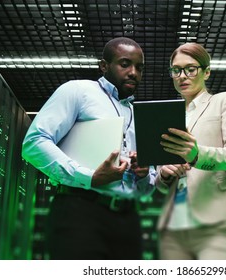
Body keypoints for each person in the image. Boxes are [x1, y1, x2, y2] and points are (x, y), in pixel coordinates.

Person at [22, 37, 156, 260]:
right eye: (125, 64)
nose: (133, 72)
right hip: (79, 213)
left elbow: (145, 188)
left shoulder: (137, 114)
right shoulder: (78, 91)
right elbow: (34, 143)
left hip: (128, 219)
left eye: (139, 67)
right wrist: (89, 177)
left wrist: (143, 175)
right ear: (104, 66)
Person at [155, 42, 226, 260]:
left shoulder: (224, 101)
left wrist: (197, 155)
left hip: (216, 221)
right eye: (176, 70)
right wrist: (164, 174)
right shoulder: (168, 114)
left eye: (190, 69)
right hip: (173, 226)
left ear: (206, 72)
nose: (182, 76)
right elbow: (161, 182)